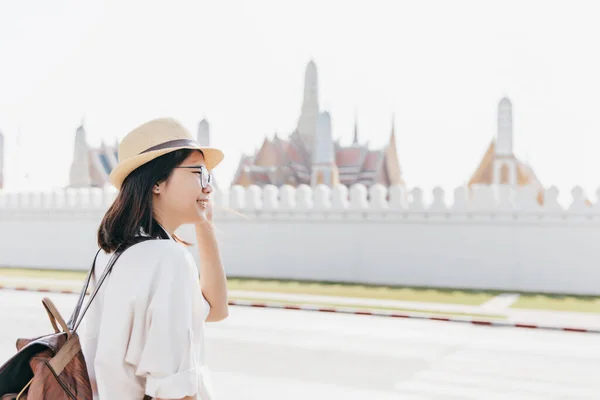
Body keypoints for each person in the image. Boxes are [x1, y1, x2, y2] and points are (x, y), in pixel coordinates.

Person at [80, 117, 229, 400]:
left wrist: (204, 224)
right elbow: (174, 390)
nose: (208, 187)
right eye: (198, 173)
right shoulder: (168, 260)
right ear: (157, 182)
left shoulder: (113, 254)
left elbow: (216, 309)